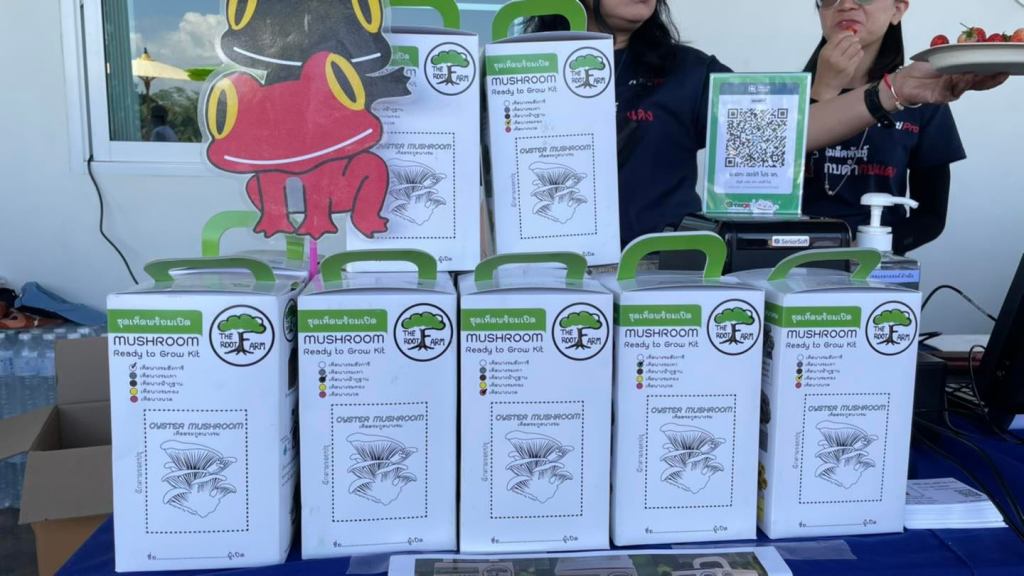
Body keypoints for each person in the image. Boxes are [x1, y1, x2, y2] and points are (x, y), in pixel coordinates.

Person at [527, 0, 1005, 247]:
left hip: (659, 281)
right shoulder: (519, 70)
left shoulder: (688, 71)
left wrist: (897, 90)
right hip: (545, 280)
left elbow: (782, 137)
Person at [802, 0, 963, 254]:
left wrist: (870, 249)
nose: (845, 4)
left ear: (897, 10)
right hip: (792, 260)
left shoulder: (918, 96)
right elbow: (760, 192)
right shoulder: (784, 98)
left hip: (877, 264)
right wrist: (821, 93)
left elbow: (931, 216)